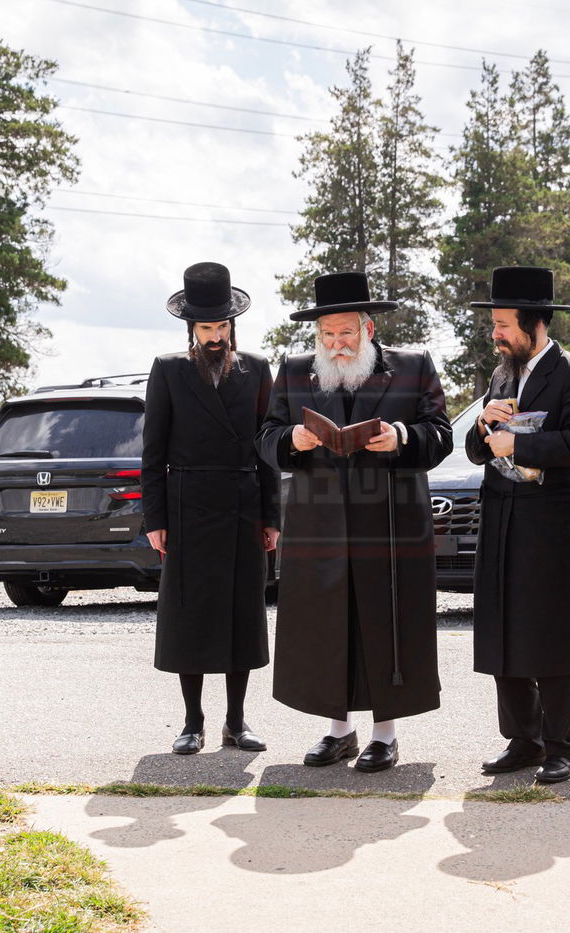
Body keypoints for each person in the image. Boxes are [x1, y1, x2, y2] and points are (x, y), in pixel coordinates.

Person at [256, 271, 452, 773]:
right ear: (317, 336)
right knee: (325, 627)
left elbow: (440, 434)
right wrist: (292, 442)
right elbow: (266, 437)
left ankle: (385, 736)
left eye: (346, 333)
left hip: (388, 524)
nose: (337, 343)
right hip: (318, 527)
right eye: (327, 335)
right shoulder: (297, 370)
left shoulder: (412, 365)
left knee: (386, 626)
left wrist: (403, 437)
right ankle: (338, 731)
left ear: (367, 329)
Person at [464, 266, 570, 784]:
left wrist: (519, 444)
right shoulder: (502, 374)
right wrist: (483, 426)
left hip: (551, 525)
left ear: (535, 324)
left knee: (551, 633)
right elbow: (478, 450)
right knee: (504, 630)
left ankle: (563, 746)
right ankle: (521, 739)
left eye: (503, 324)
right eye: (495, 324)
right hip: (501, 517)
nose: (495, 334)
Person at [141, 262, 280, 755]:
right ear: (191, 329)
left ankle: (237, 722)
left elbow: (267, 447)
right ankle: (193, 721)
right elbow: (152, 453)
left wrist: (272, 518)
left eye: (223, 327)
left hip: (243, 506)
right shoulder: (169, 370)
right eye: (207, 329)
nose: (217, 337)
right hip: (187, 508)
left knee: (242, 612)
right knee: (191, 614)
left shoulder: (258, 369)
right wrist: (154, 519)